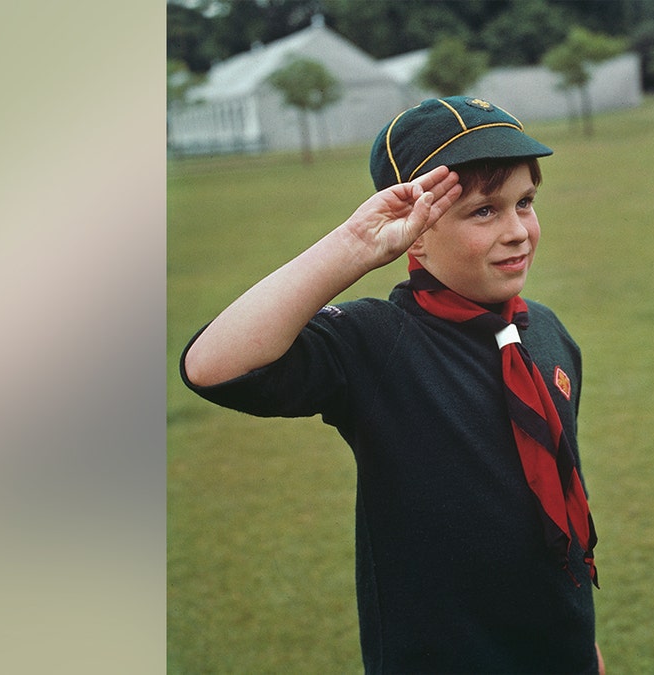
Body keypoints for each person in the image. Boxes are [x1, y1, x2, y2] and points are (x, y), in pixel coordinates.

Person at [181, 96, 604, 674]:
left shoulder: (547, 333)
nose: (517, 231)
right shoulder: (378, 343)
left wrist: (586, 649)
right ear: (417, 235)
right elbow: (213, 365)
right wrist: (356, 246)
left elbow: (556, 503)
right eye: (483, 211)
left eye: (524, 203)